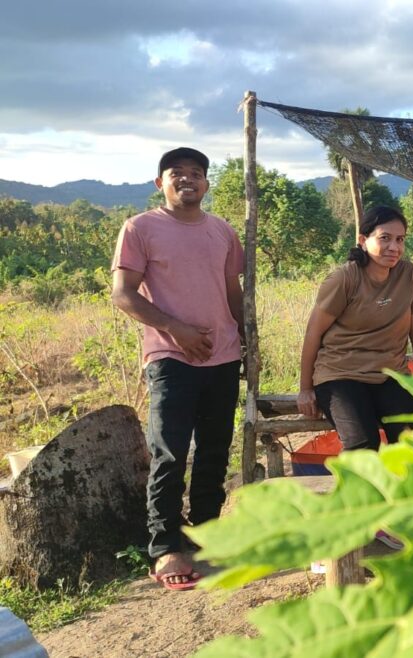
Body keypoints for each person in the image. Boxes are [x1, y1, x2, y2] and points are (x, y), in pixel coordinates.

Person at [111, 147, 244, 590]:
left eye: (196, 174)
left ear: (207, 184)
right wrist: (177, 330)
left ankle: (205, 532)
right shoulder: (141, 228)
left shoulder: (222, 232)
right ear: (159, 183)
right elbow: (124, 294)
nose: (187, 180)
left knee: (214, 449)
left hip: (224, 356)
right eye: (177, 174)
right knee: (170, 450)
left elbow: (231, 291)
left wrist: (246, 338)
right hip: (170, 358)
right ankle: (165, 546)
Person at [297, 205, 413, 454]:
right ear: (363, 240)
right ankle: (359, 492)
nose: (394, 247)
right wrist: (305, 390)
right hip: (340, 375)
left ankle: (406, 493)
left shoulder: (409, 275)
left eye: (400, 240)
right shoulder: (344, 279)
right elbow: (313, 333)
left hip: (390, 375)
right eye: (385, 238)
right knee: (363, 444)